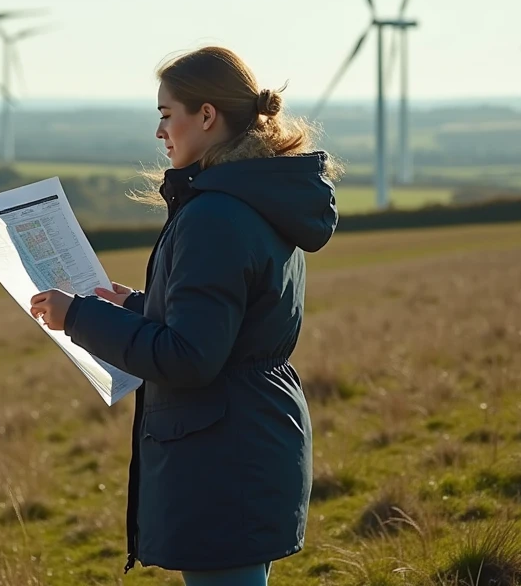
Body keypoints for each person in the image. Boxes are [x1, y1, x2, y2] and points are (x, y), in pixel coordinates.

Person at [30, 46, 339, 586]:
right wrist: (138, 306)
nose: (159, 132)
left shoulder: (215, 216)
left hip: (222, 455)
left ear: (207, 115)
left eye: (166, 114)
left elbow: (190, 356)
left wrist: (77, 316)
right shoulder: (258, 199)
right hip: (249, 439)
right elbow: (234, 322)